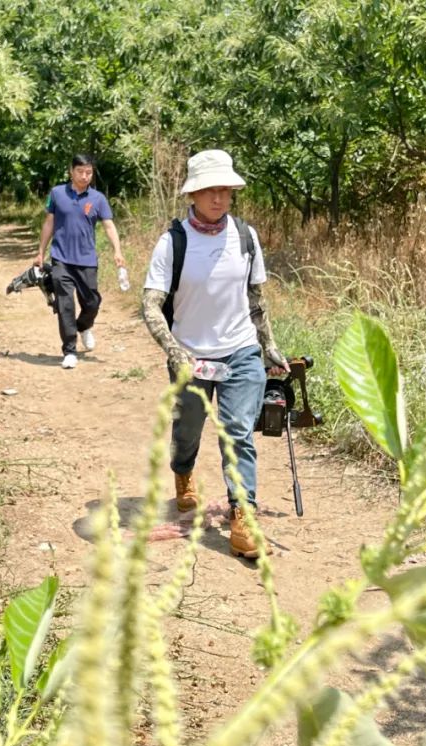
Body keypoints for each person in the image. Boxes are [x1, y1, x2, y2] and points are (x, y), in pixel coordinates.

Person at [142, 149, 289, 559]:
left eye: (225, 190)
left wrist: (268, 345)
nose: (219, 199)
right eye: (210, 191)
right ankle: (183, 472)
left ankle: (243, 516)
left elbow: (255, 298)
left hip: (240, 349)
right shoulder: (173, 242)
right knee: (188, 428)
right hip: (191, 353)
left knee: (238, 431)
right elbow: (151, 304)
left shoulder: (245, 236)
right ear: (194, 194)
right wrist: (175, 352)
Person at [33, 154, 125, 369]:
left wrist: (117, 251)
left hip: (86, 259)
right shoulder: (57, 194)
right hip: (61, 258)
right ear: (71, 171)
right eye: (80, 172)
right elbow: (49, 223)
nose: (85, 176)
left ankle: (83, 326)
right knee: (65, 304)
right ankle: (69, 351)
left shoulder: (98, 198)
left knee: (92, 302)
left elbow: (109, 226)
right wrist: (40, 252)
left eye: (89, 173)